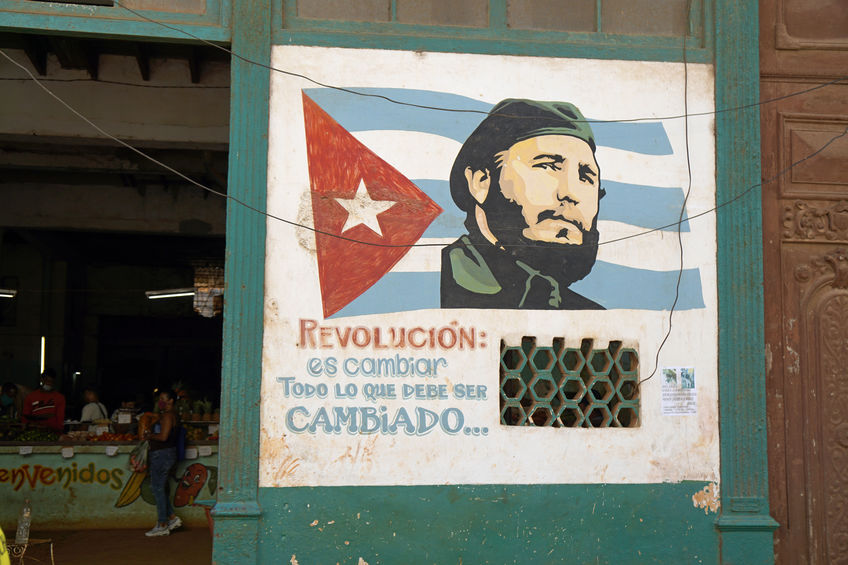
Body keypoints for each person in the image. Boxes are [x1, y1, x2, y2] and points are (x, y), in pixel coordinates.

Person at [441, 99, 605, 310]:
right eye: (547, 166)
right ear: (480, 182)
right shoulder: (434, 285)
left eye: (586, 177)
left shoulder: (592, 317)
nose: (570, 193)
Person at [143, 389, 183, 537]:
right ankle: (171, 518)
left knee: (157, 488)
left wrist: (149, 435)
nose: (160, 401)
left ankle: (162, 524)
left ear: (171, 400)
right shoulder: (173, 415)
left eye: (163, 398)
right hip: (167, 454)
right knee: (159, 487)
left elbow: (164, 437)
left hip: (162, 454)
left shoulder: (167, 416)